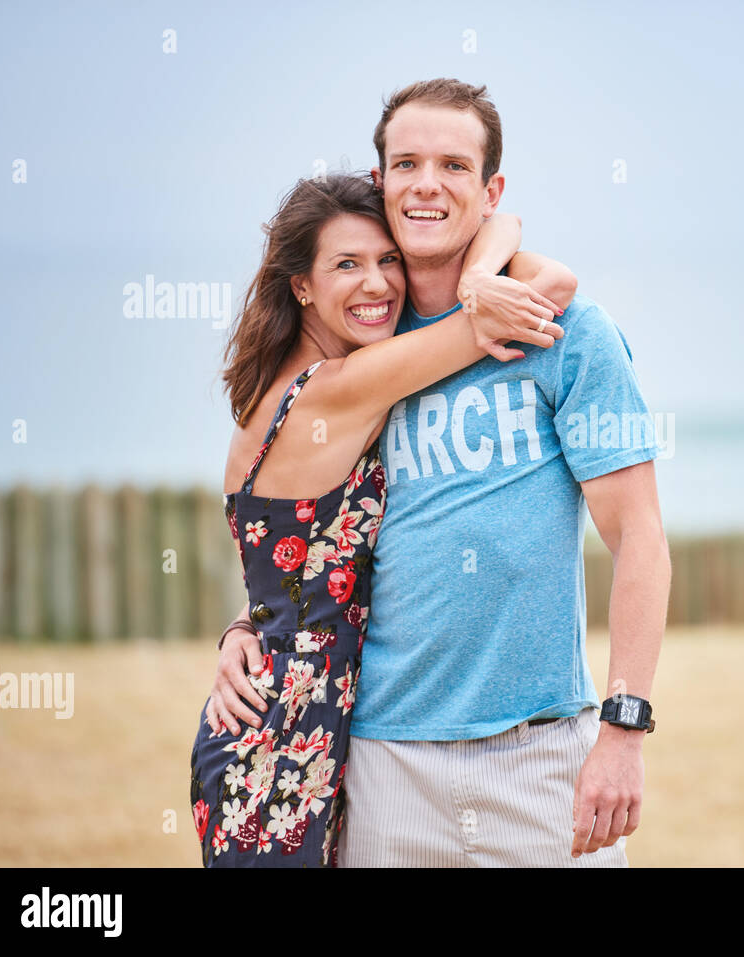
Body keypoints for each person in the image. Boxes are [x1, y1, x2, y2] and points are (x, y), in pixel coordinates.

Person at [212, 78, 671, 868]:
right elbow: (306, 539)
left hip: (542, 755)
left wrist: (623, 729)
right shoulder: (362, 357)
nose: (428, 184)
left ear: (489, 191)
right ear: (382, 180)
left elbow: (639, 536)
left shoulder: (569, 332)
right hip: (383, 762)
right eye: (408, 164)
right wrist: (250, 626)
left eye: (455, 166)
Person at [190, 171, 577, 867]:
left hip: (319, 723)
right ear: (300, 286)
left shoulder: (283, 391)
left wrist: (240, 630)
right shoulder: (335, 390)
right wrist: (480, 283)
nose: (377, 284)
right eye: (347, 264)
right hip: (283, 742)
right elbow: (548, 287)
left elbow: (286, 585)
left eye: (387, 260)